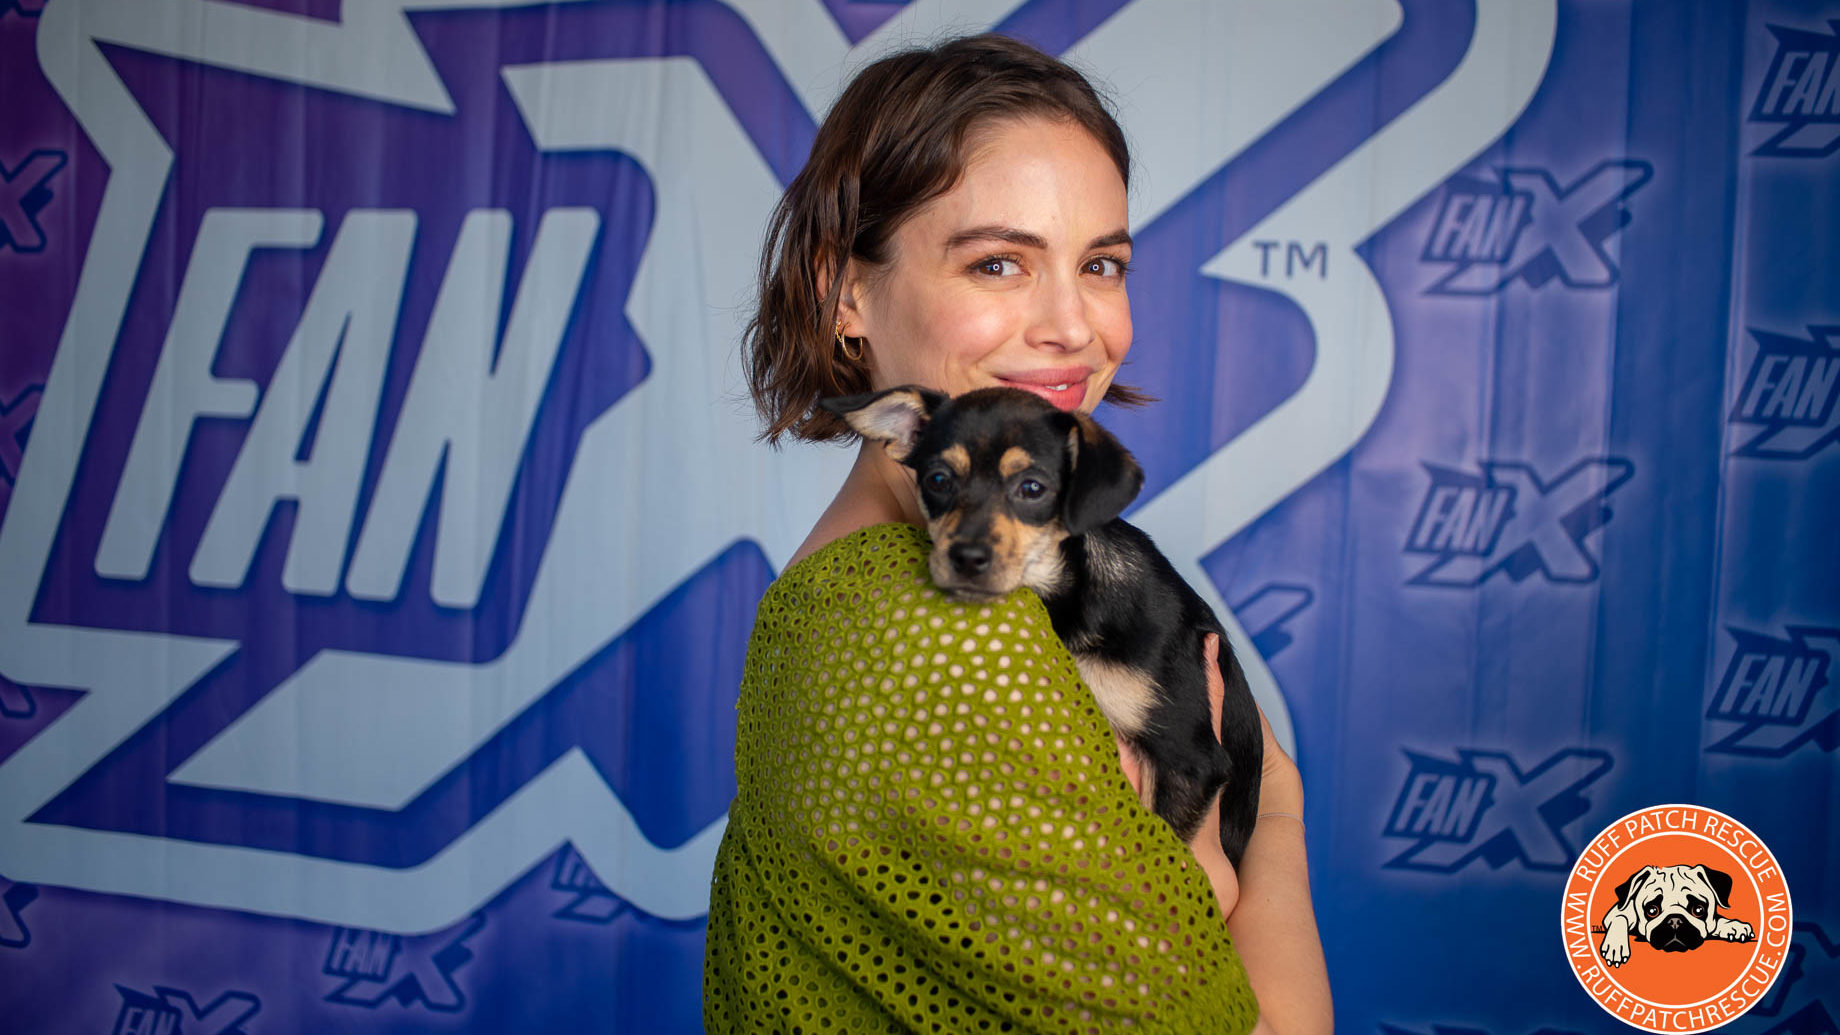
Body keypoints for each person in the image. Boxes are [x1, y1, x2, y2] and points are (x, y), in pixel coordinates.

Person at [704, 34, 1330, 1035]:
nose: (1073, 326)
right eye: (998, 262)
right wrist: (1277, 821)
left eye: (1101, 264)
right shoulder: (959, 647)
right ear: (843, 292)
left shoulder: (841, 588)